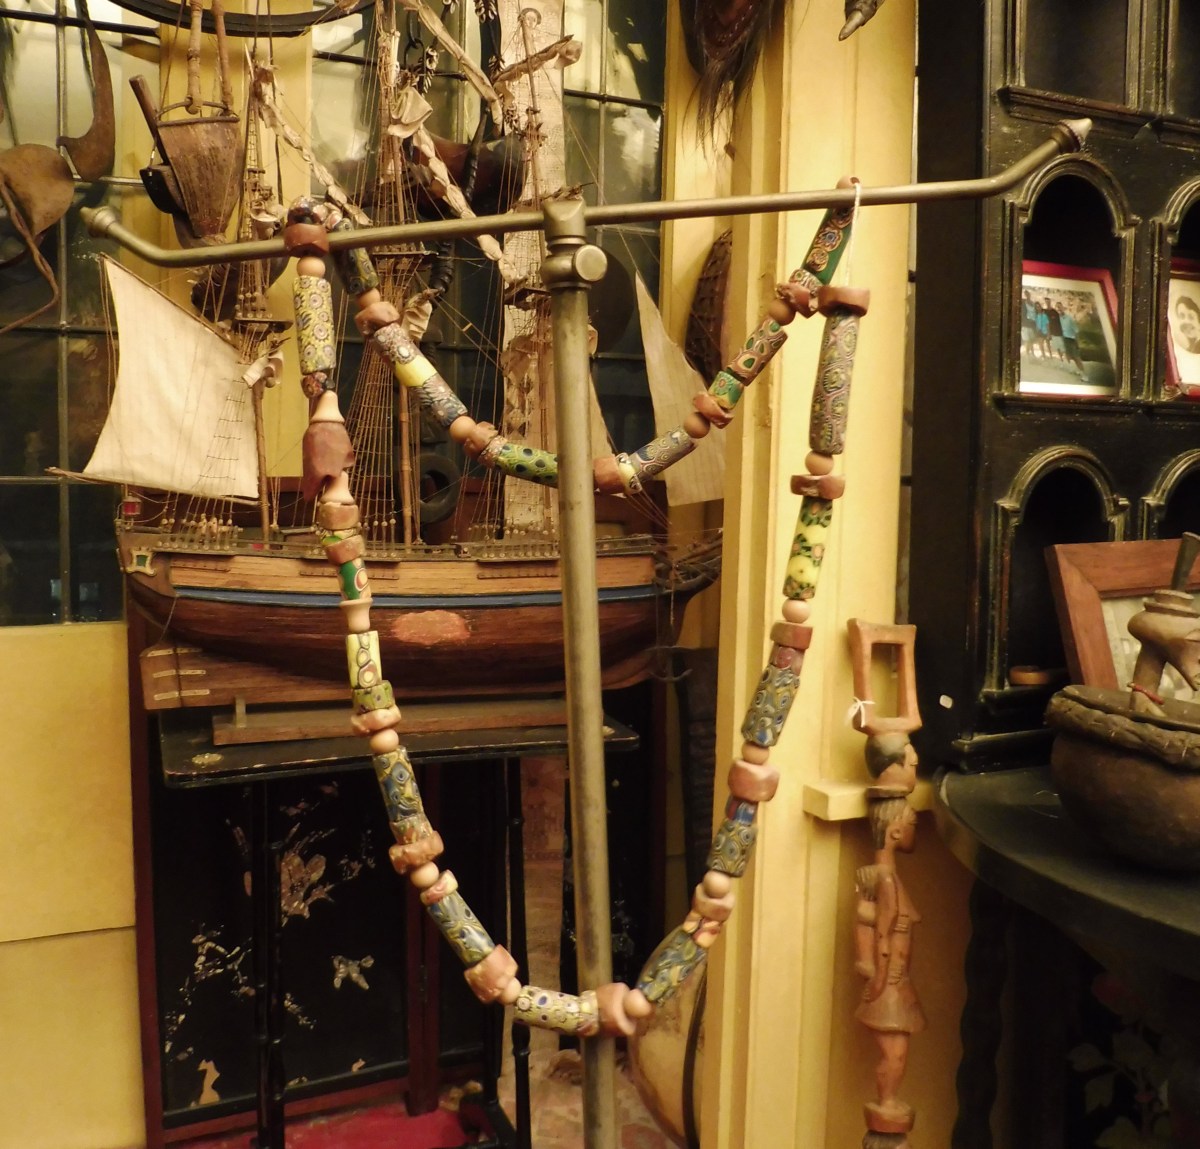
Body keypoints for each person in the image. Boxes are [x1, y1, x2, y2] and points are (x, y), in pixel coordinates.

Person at [854, 796, 925, 1137]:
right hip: (889, 984)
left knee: (898, 1053)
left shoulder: (887, 878)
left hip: (895, 981)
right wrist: (881, 981)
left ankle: (888, 1101)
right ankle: (886, 1100)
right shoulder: (885, 881)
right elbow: (882, 934)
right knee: (896, 1054)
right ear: (895, 832)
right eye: (912, 825)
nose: (914, 831)